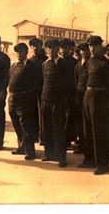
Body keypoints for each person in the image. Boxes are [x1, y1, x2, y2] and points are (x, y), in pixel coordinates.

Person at [78, 35, 109, 175]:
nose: (92, 49)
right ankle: (89, 160)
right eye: (90, 46)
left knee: (99, 132)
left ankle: (103, 165)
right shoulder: (89, 61)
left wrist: (107, 103)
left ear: (101, 47)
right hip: (87, 97)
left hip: (100, 98)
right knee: (87, 130)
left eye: (95, 46)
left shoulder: (106, 64)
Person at [8, 43, 39, 159]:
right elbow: (10, 80)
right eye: (17, 52)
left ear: (26, 52)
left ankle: (30, 152)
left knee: (26, 125)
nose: (19, 54)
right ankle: (21, 147)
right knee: (16, 123)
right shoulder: (13, 66)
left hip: (25, 100)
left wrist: (29, 96)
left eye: (21, 51)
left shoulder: (32, 66)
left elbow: (36, 83)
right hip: (12, 98)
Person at [41, 39, 68, 167]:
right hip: (45, 100)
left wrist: (63, 100)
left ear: (58, 49)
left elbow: (68, 83)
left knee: (58, 129)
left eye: (54, 48)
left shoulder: (63, 63)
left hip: (58, 101)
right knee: (47, 129)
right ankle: (49, 154)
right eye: (49, 48)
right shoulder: (44, 63)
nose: (51, 50)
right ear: (46, 50)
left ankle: (62, 157)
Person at [59, 38, 78, 149]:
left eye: (70, 49)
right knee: (60, 118)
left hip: (70, 94)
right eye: (63, 48)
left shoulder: (75, 62)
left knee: (69, 118)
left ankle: (67, 141)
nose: (65, 50)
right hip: (59, 94)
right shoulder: (57, 61)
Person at [29, 38, 47, 145]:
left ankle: (43, 137)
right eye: (33, 46)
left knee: (42, 115)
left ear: (41, 46)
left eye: (37, 45)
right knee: (32, 114)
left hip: (42, 91)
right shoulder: (30, 60)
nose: (35, 48)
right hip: (31, 92)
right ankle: (34, 135)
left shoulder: (45, 59)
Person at [74, 42, 90, 154]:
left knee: (87, 122)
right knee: (79, 120)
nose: (84, 52)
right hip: (79, 96)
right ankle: (81, 143)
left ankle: (87, 146)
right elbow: (75, 80)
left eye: (86, 50)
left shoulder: (91, 64)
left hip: (88, 96)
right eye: (82, 51)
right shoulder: (78, 65)